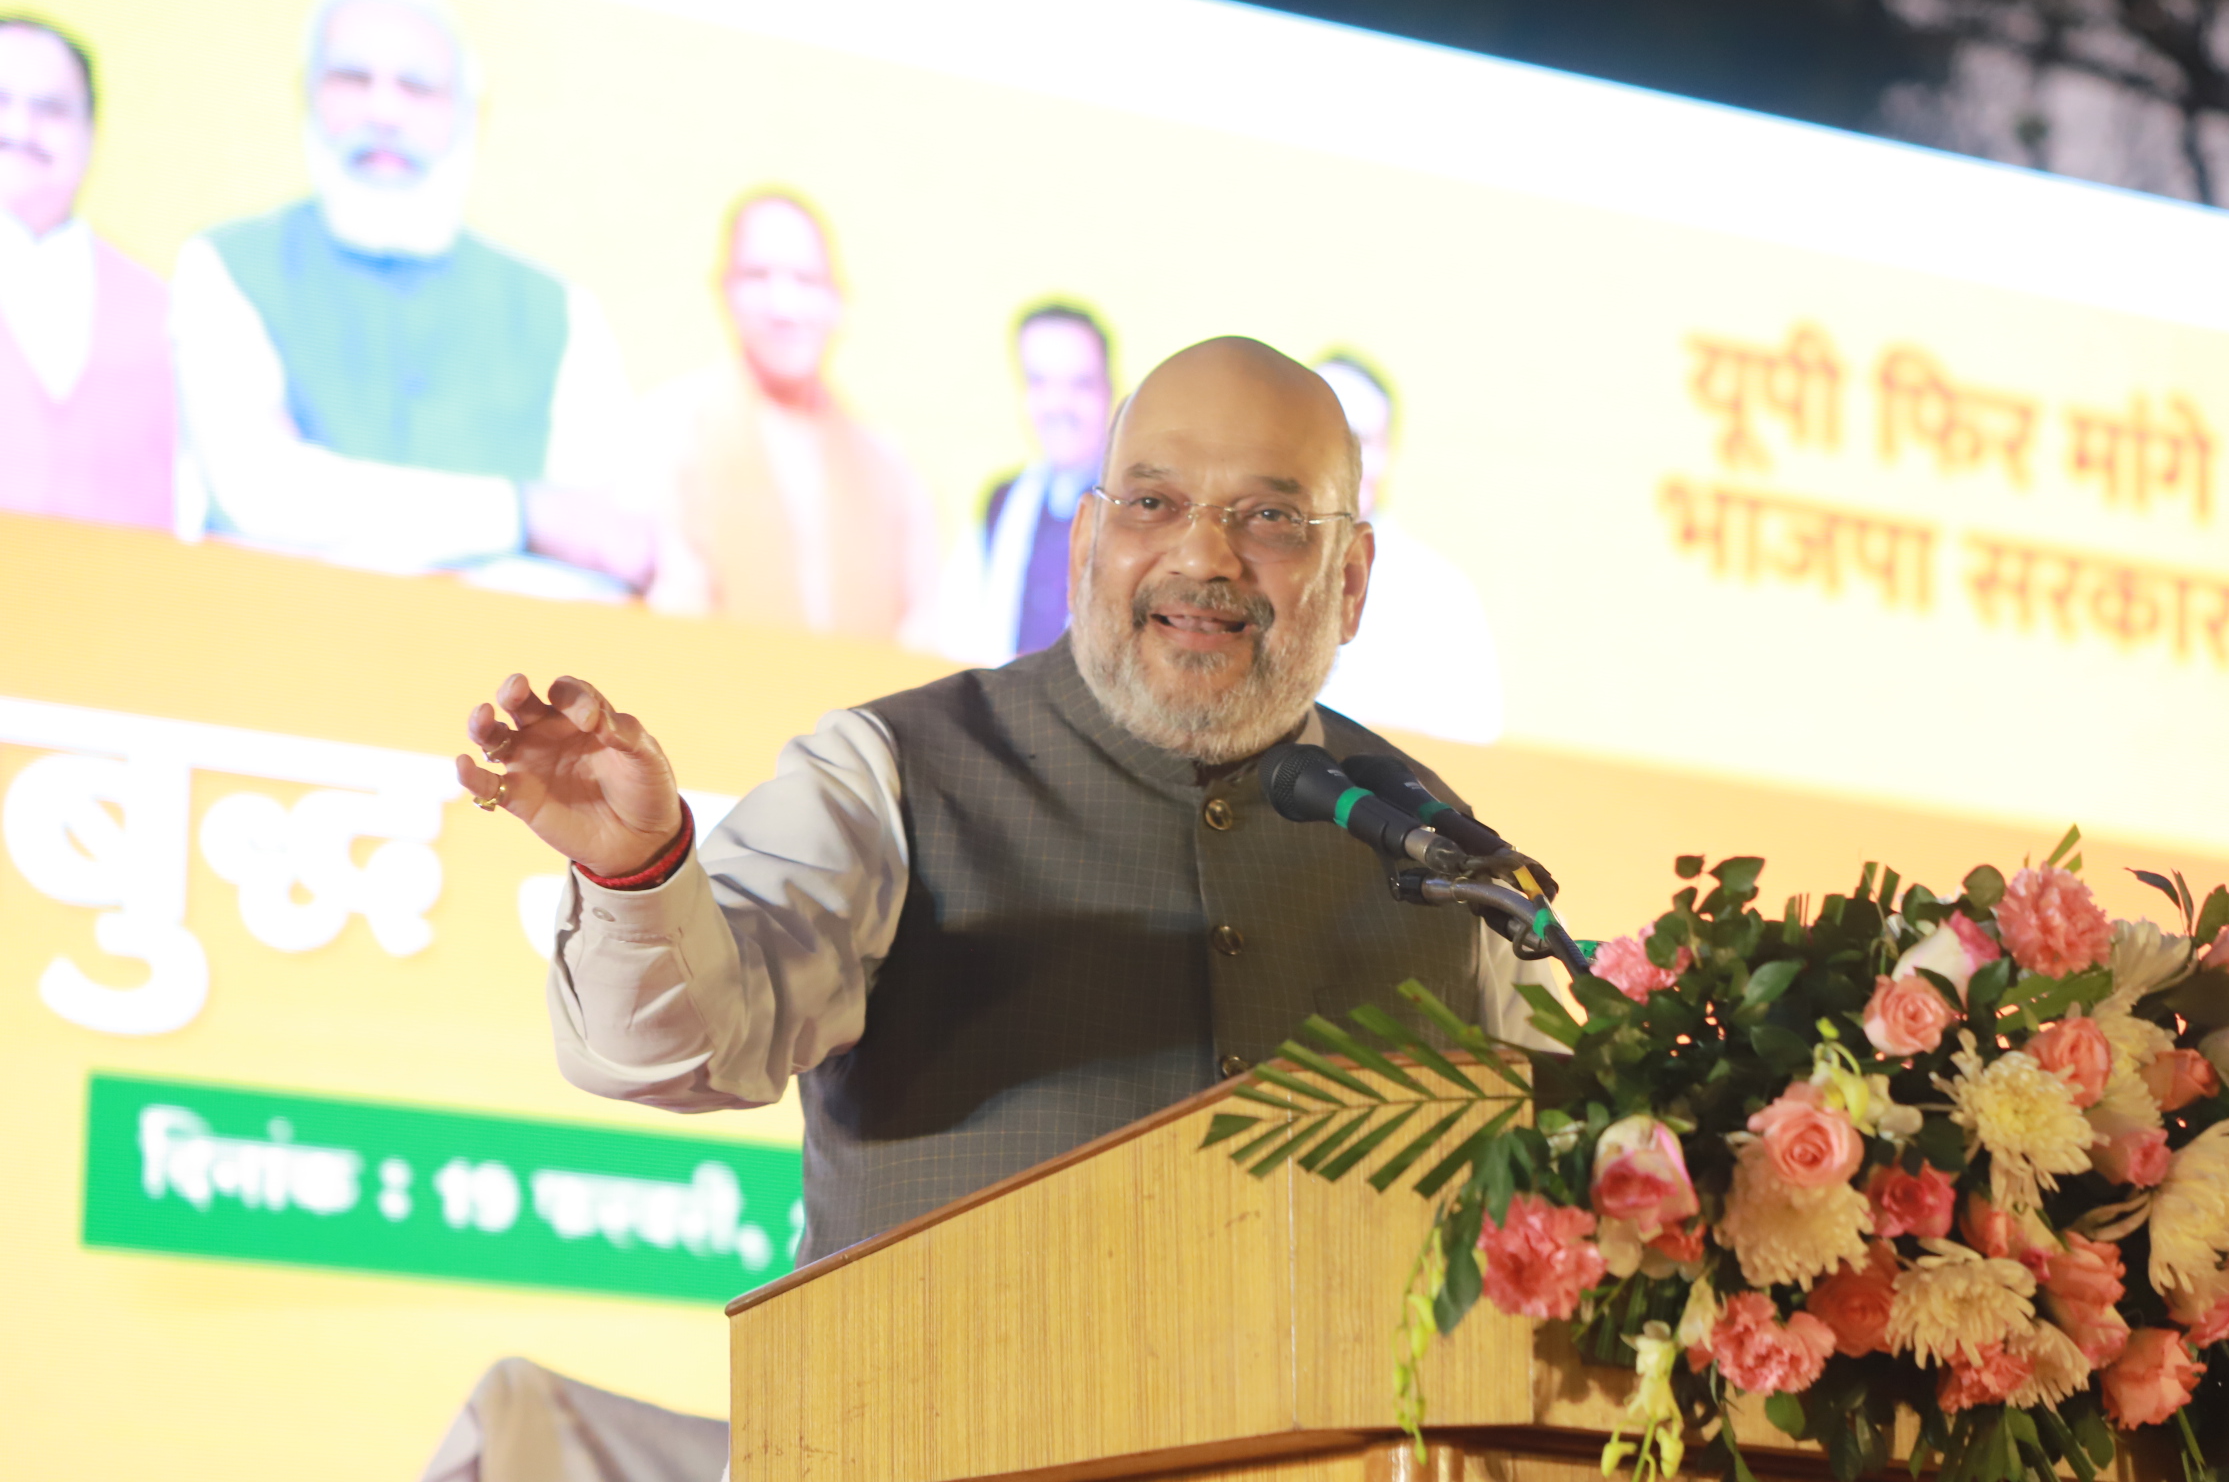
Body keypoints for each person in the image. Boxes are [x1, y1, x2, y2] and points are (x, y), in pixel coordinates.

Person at [457, 335, 1555, 1271]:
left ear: (1352, 580)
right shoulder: (887, 773)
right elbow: (685, 1043)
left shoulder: (1441, 851)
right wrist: (638, 876)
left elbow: (1587, 1174)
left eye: (1268, 516)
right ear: (1085, 544)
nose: (1200, 556)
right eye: (1153, 503)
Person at [171, 0, 651, 594]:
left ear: (470, 115)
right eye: (352, 79)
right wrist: (524, 516)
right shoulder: (221, 267)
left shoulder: (561, 313)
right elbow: (259, 495)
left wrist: (341, 527)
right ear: (306, 96)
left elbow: (605, 551)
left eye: (417, 87)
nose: (384, 112)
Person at [645, 191, 937, 637]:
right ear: (724, 291)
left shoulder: (888, 465)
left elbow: (922, 635)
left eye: (806, 280)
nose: (783, 307)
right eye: (757, 276)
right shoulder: (671, 431)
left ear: (839, 301)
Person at [0, 16, 177, 532]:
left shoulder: (167, 313)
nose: (19, 130)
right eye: (0, 101)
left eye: (50, 110)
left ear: (90, 133)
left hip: (111, 606)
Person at [1309, 353, 1506, 744]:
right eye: (1318, 435)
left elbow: (1470, 750)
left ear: (1387, 453)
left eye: (1357, 440)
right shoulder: (1234, 565)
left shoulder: (1438, 594)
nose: (1338, 457)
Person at [929, 302, 1115, 662]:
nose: (1059, 403)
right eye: (1040, 382)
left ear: (1110, 389)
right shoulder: (1002, 502)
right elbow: (956, 630)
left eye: (1080, 384)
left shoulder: (1138, 511)